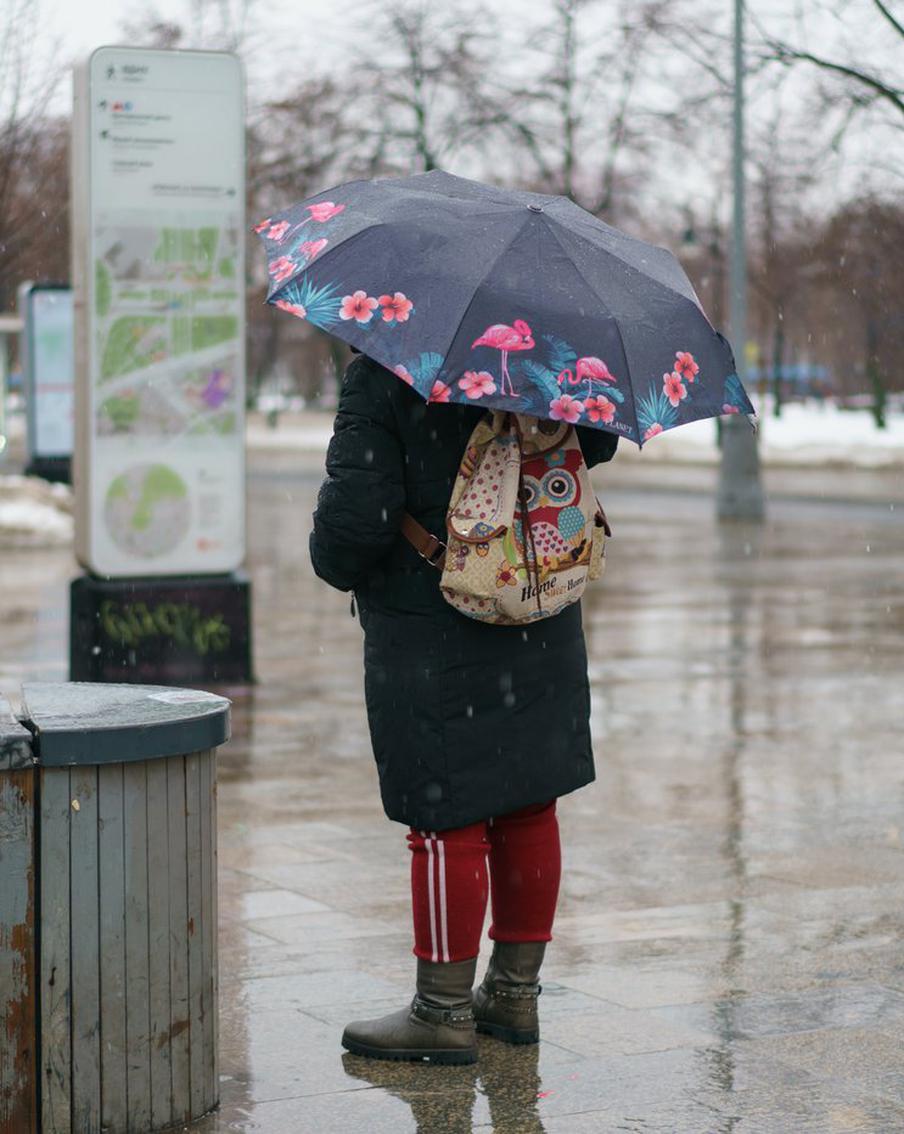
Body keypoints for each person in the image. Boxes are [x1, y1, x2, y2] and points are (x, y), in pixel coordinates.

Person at [310, 352, 617, 1064]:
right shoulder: (552, 358)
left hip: (431, 617)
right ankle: (513, 996)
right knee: (530, 803)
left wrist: (329, 554)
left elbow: (356, 522)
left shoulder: (389, 371)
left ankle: (441, 1010)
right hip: (537, 601)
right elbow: (594, 443)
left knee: (444, 815)